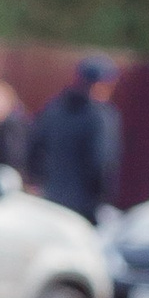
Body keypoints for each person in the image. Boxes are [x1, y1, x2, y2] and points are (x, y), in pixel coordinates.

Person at [28, 54, 118, 222]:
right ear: (100, 84)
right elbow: (101, 162)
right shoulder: (101, 116)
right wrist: (102, 198)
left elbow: (33, 148)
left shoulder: (53, 108)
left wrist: (36, 182)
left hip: (48, 201)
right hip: (82, 207)